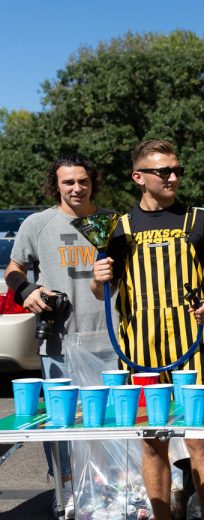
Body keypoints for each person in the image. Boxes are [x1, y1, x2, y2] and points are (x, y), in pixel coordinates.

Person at [91, 140, 204, 520]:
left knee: (200, 438)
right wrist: (97, 277)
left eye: (176, 170)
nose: (173, 177)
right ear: (139, 177)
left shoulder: (197, 220)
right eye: (163, 171)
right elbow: (102, 289)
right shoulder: (118, 228)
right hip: (139, 347)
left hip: (195, 343)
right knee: (152, 441)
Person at [5, 154, 111, 519]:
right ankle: (64, 489)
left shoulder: (110, 222)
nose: (77, 188)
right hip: (59, 340)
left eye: (83, 181)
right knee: (62, 422)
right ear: (57, 185)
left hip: (108, 340)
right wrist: (26, 292)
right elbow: (14, 269)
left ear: (92, 181)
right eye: (68, 182)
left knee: (108, 421)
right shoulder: (38, 223)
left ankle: (105, 489)